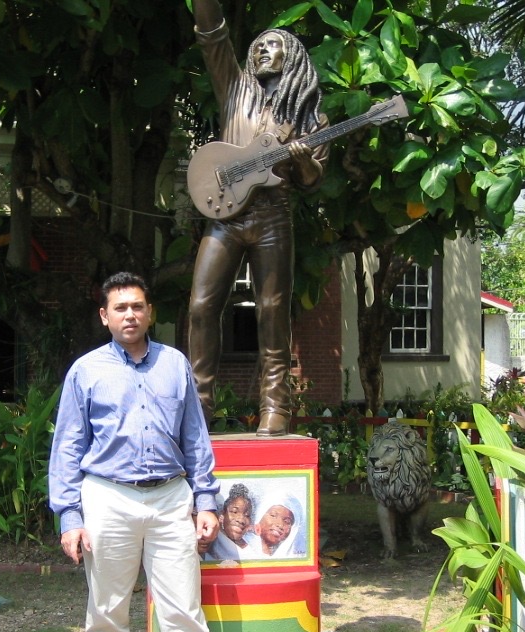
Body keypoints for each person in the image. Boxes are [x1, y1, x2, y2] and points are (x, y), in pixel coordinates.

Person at [48, 272, 230, 632]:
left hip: (171, 498)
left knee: (183, 611)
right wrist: (70, 516)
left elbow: (195, 437)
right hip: (108, 498)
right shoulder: (85, 372)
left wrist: (206, 501)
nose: (130, 314)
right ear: (104, 317)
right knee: (107, 612)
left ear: (150, 313)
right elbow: (67, 446)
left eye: (138, 306)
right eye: (120, 308)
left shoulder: (174, 365)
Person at [187, 0, 328, 436]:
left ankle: (275, 407)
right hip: (225, 217)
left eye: (274, 46)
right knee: (201, 306)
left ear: (294, 59)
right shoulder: (235, 90)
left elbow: (313, 179)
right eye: (259, 46)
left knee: (272, 312)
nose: (263, 51)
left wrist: (304, 162)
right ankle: (199, 405)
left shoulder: (309, 117)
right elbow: (213, 35)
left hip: (273, 217)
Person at [203, 482, 255, 562]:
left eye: (247, 515)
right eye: (234, 512)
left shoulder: (251, 552)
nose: (241, 519)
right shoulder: (210, 543)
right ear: (222, 515)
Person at [251, 492, 306, 558]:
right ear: (259, 516)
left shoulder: (297, 559)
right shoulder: (241, 553)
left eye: (287, 521)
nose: (280, 524)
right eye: (273, 515)